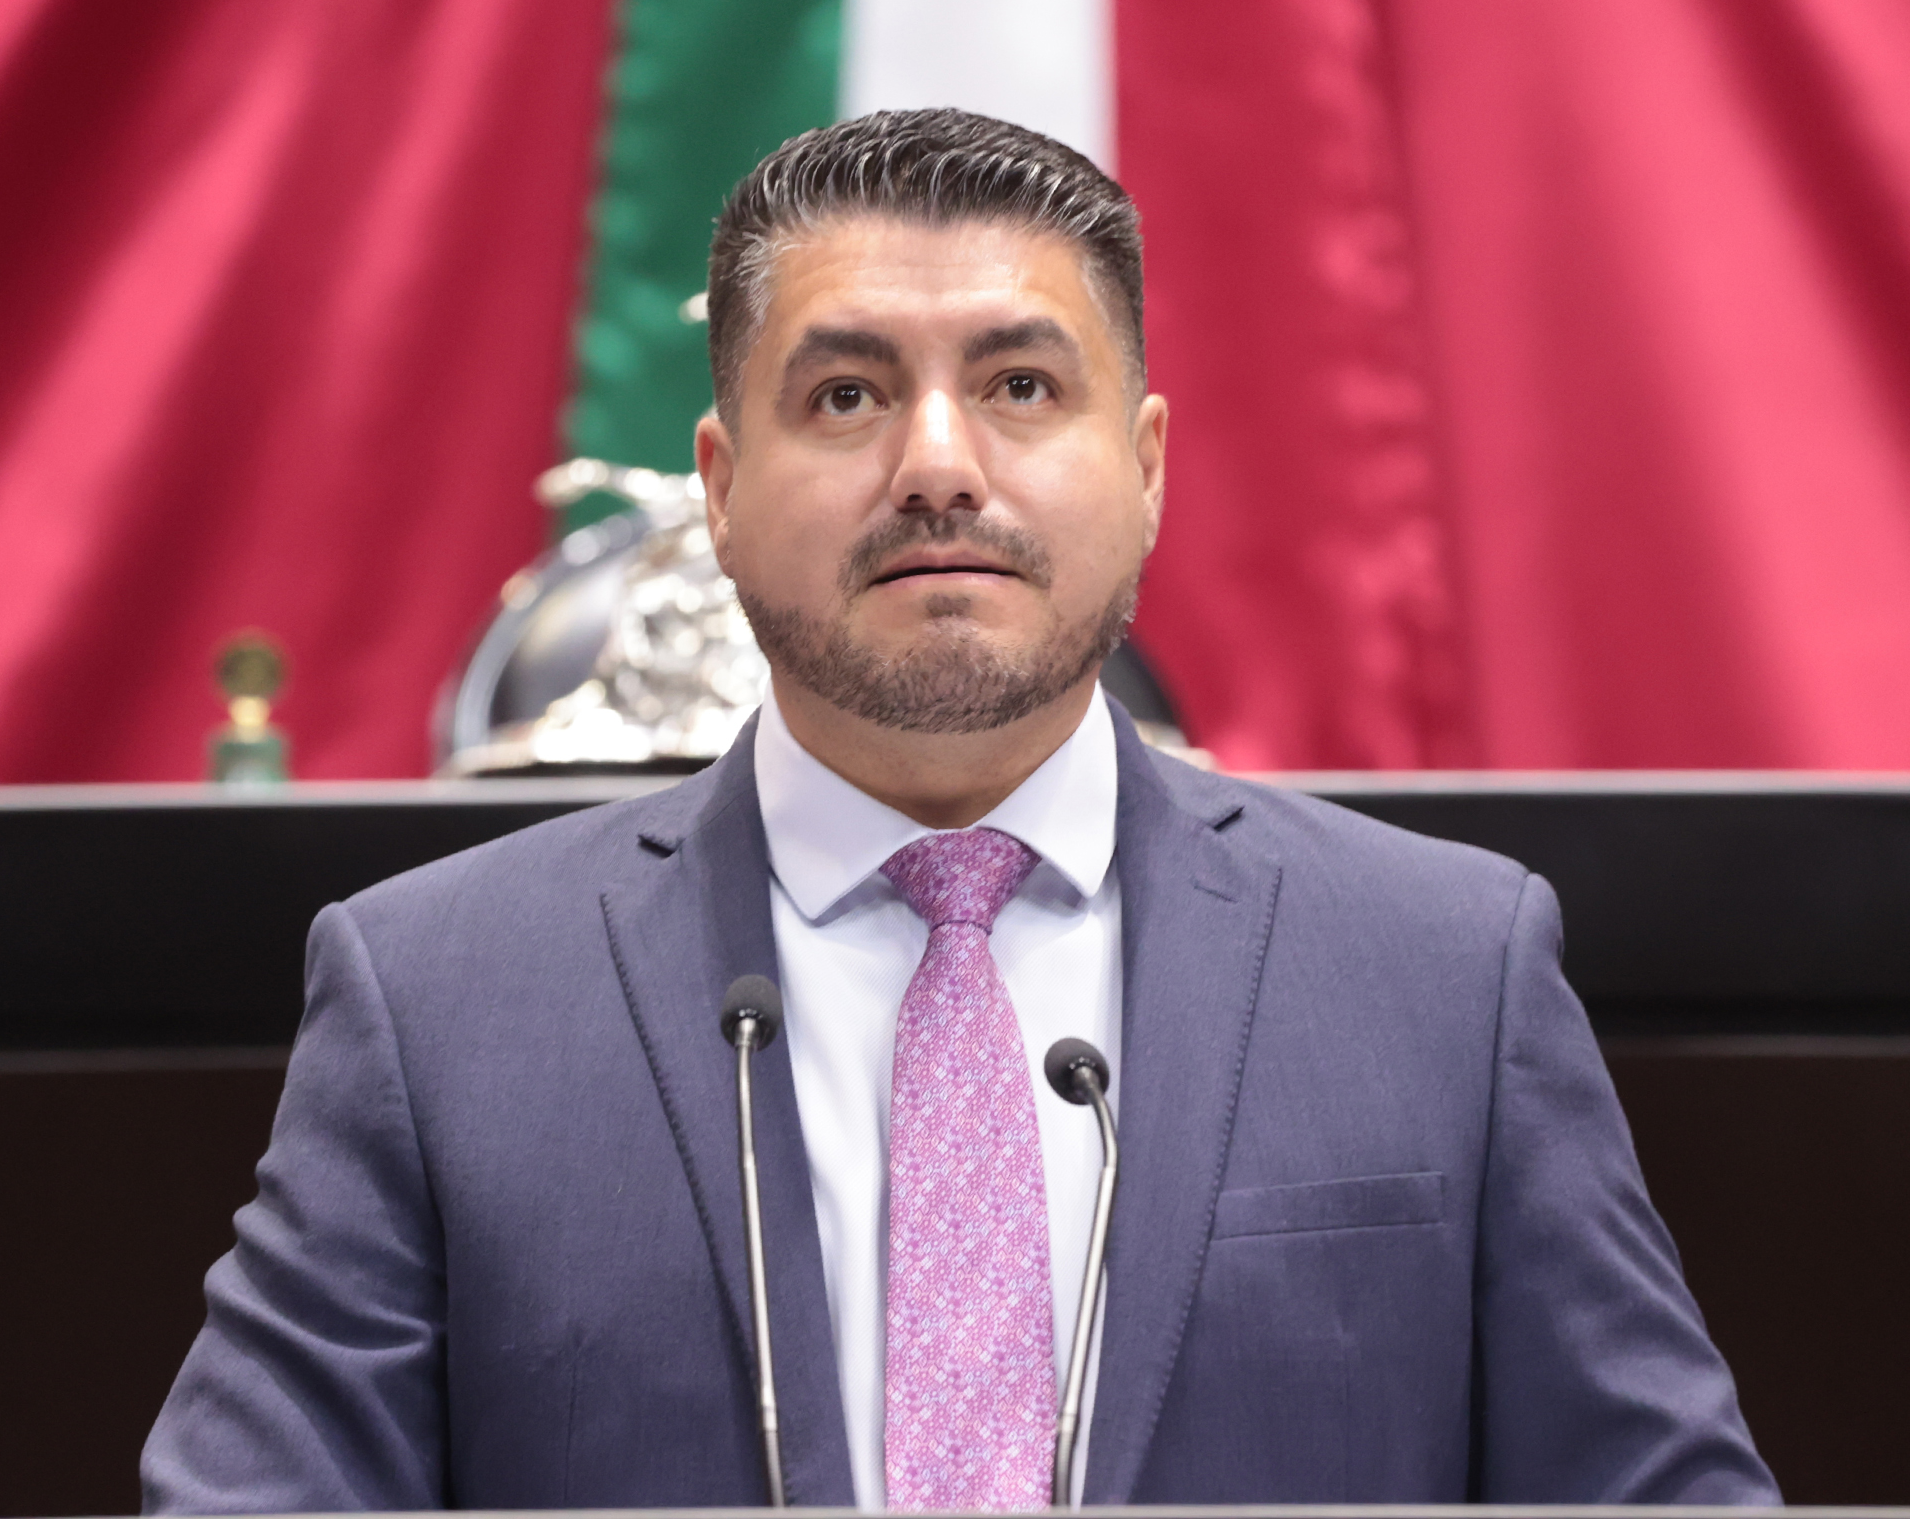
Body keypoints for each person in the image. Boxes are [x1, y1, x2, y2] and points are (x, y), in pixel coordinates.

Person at [143, 108, 1776, 1512]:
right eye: (846, 397)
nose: (937, 461)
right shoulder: (437, 1001)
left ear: (1145, 467)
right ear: (719, 486)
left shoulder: (1443, 970)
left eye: (1020, 385)